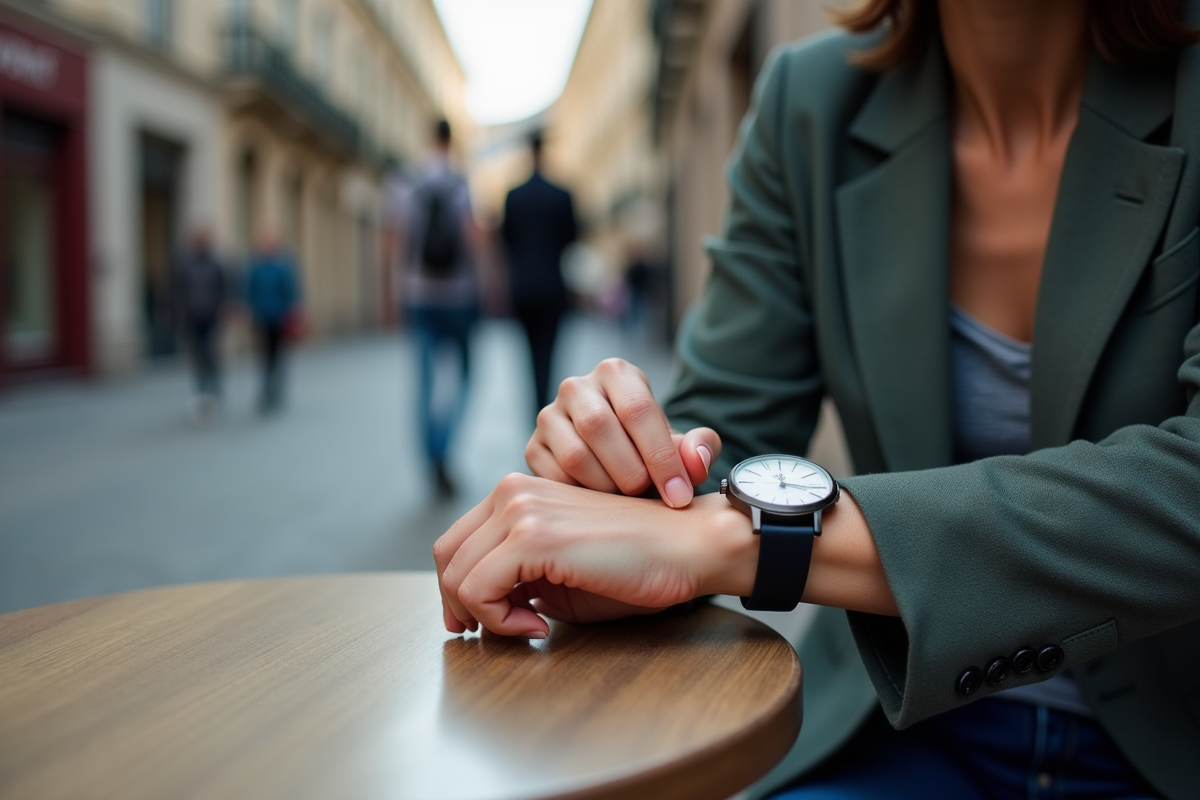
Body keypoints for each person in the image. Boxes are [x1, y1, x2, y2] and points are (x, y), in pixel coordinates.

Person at [433, 1, 1200, 798]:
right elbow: (722, 431)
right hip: (897, 720)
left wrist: (747, 543)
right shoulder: (812, 100)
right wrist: (623, 477)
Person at [387, 119, 481, 497]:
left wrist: (391, 296)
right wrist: (487, 287)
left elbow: (392, 241)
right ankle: (444, 447)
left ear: (428, 139)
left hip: (417, 294)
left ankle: (430, 457)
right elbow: (473, 239)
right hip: (458, 295)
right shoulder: (461, 184)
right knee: (465, 376)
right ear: (450, 141)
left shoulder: (403, 182)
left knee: (424, 382)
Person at [501, 131, 579, 419]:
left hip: (522, 286)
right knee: (549, 351)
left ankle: (535, 408)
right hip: (552, 285)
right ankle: (546, 407)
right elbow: (572, 236)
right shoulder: (561, 194)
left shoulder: (513, 196)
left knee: (528, 353)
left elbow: (505, 241)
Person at [171, 228, 227, 420]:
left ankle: (214, 389)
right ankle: (201, 392)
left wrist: (224, 308)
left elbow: (224, 288)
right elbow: (176, 289)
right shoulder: (184, 263)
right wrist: (177, 311)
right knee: (196, 355)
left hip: (211, 316)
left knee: (210, 353)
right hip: (192, 317)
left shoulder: (216, 263)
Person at [244, 230, 300, 414]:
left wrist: (293, 311)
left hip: (280, 317)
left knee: (277, 354)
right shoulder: (256, 265)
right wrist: (250, 309)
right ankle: (266, 390)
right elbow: (249, 289)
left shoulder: (283, 265)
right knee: (264, 355)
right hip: (261, 317)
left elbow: (292, 290)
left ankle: (276, 389)